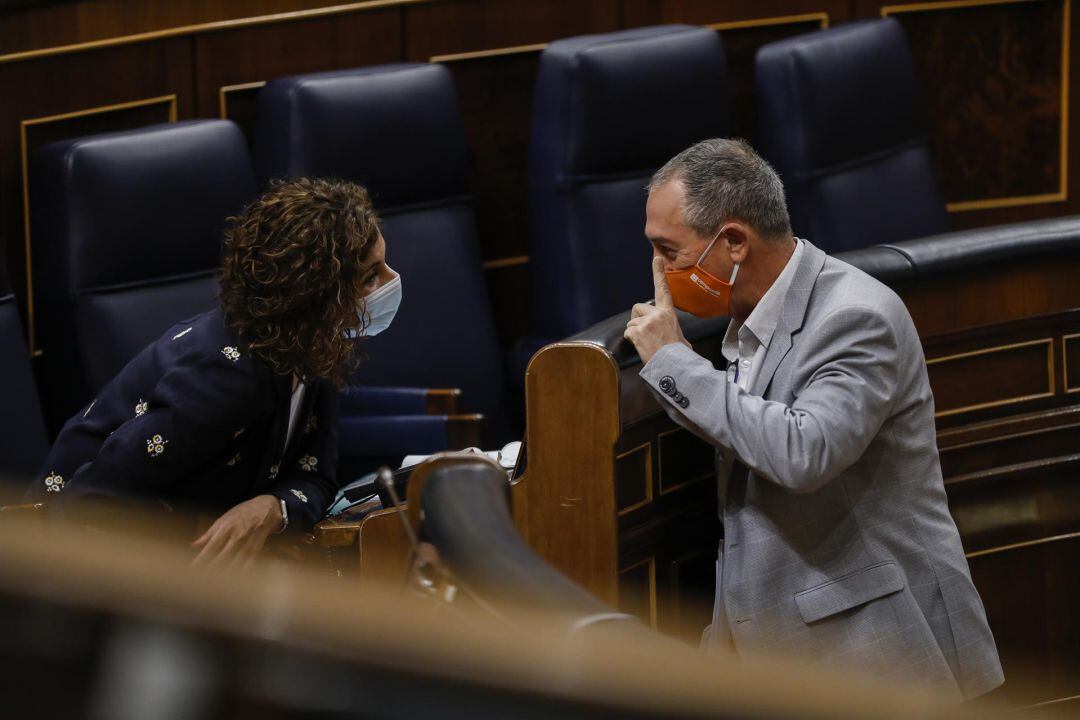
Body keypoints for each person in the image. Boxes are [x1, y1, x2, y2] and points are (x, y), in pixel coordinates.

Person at [623, 138, 1002, 700]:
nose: (659, 270)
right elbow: (744, 438)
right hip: (775, 649)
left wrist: (676, 364)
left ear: (732, 243)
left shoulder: (854, 317)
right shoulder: (752, 318)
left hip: (879, 651)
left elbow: (804, 452)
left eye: (669, 251)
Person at [25, 177, 400, 568]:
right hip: (70, 559)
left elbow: (318, 474)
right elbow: (86, 504)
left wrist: (272, 509)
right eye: (371, 276)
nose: (392, 281)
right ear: (317, 294)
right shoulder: (223, 380)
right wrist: (202, 530)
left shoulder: (312, 346)